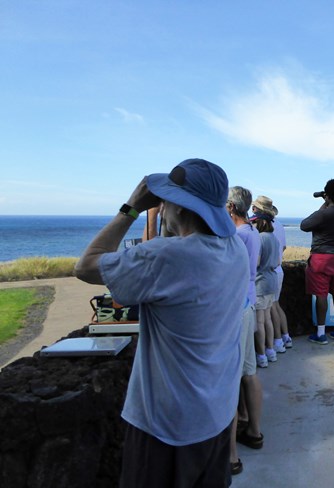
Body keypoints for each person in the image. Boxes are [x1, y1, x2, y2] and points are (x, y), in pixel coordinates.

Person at [74, 158, 249, 488]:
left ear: (180, 208)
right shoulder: (234, 249)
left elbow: (86, 267)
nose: (162, 204)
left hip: (166, 427)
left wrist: (132, 208)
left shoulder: (167, 257)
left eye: (166, 198)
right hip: (216, 414)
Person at [226, 186, 265, 475]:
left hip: (236, 307)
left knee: (229, 380)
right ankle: (254, 430)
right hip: (249, 302)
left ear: (230, 207)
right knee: (249, 372)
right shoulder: (252, 233)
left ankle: (231, 456)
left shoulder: (237, 236)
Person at [300, 179, 334, 344]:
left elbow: (304, 225)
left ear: (327, 196)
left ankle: (321, 333)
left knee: (321, 294)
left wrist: (323, 205)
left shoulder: (323, 213)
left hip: (321, 257)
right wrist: (328, 201)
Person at [250, 197, 280, 368]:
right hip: (272, 282)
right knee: (267, 319)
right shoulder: (273, 238)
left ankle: (261, 354)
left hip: (260, 283)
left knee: (259, 322)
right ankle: (270, 350)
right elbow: (276, 263)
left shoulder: (259, 238)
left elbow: (256, 263)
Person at [270, 204, 293, 352]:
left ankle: (278, 341)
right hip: (279, 269)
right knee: (276, 305)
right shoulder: (279, 224)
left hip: (269, 271)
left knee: (271, 307)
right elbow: (283, 247)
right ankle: (286, 337)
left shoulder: (263, 226)